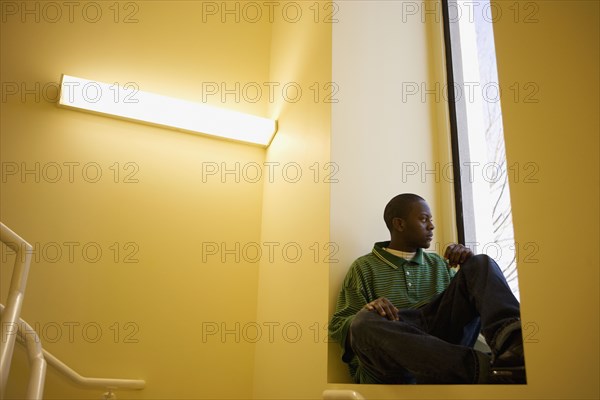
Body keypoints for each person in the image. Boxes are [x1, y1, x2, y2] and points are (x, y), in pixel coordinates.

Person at [329, 193, 526, 384]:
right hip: (395, 360)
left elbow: (462, 307)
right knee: (363, 321)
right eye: (424, 219)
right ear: (399, 224)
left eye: (431, 220)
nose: (431, 226)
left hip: (439, 344)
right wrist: (370, 309)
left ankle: (515, 348)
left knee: (480, 262)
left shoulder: (440, 264)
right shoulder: (364, 267)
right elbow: (339, 326)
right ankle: (488, 370)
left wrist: (469, 265)